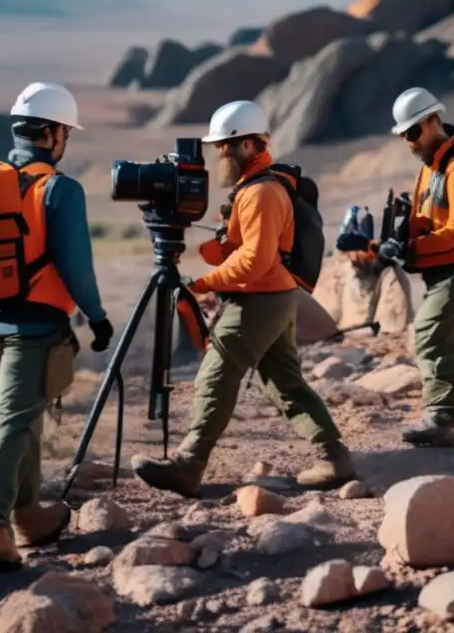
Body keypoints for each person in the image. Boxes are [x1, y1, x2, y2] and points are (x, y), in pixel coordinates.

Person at [131, 100, 355, 496]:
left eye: (223, 147)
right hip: (273, 294)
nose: (218, 156)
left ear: (247, 147)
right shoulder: (254, 189)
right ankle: (334, 457)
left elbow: (256, 259)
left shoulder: (261, 193)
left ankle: (188, 464)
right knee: (283, 380)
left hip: (261, 299)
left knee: (216, 373)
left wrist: (206, 283)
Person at [0, 81, 114, 571]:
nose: (66, 140)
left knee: (20, 414)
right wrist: (98, 316)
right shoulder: (59, 189)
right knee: (14, 418)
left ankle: (28, 516)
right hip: (33, 327)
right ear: (51, 134)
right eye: (65, 131)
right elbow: (75, 263)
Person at [374, 87, 454, 447]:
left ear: (435, 121)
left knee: (431, 331)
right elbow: (421, 218)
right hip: (442, 266)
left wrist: (413, 247)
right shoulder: (430, 170)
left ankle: (440, 414)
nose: (409, 141)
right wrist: (396, 242)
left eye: (414, 132)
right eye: (404, 135)